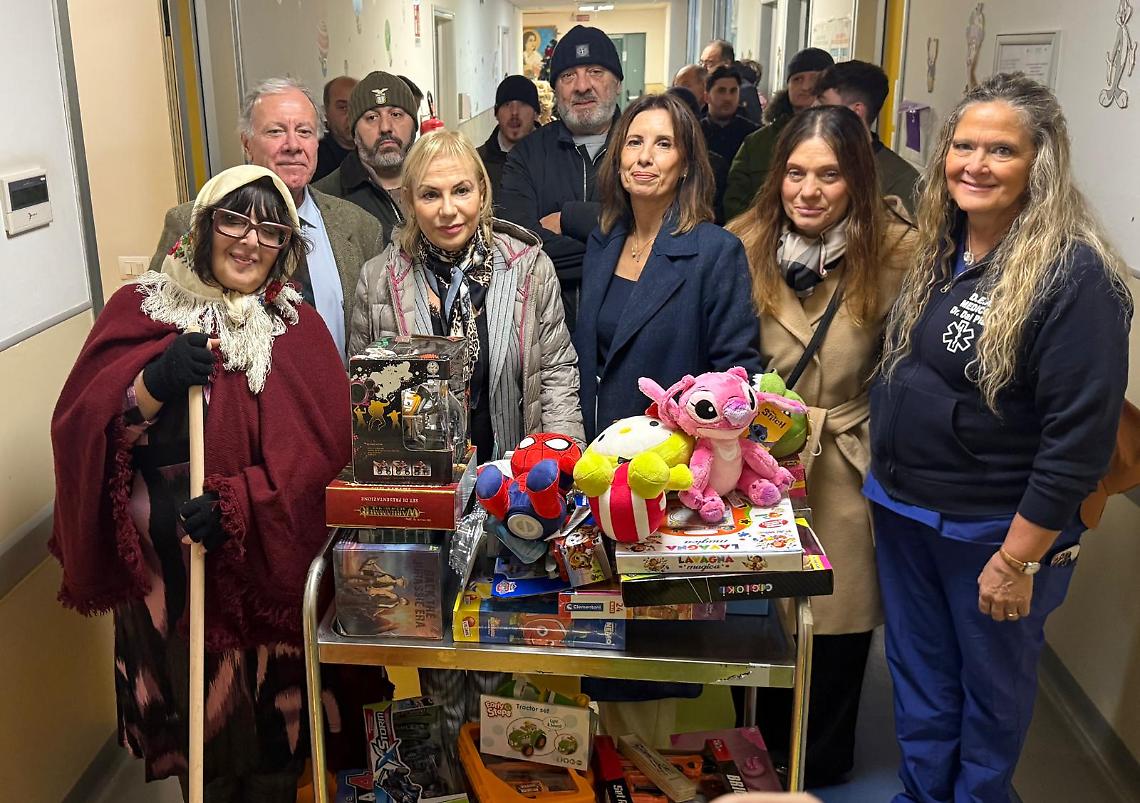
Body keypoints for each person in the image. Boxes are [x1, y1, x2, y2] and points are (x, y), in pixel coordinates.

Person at [868, 73, 1132, 802]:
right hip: (906, 510)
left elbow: (1076, 440)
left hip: (991, 532)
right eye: (963, 145)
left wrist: (1018, 559)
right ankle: (924, 793)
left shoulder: (1075, 275)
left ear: (1039, 163)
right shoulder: (942, 247)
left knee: (989, 693)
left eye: (1001, 150)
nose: (974, 164)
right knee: (920, 680)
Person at [51, 166, 350, 801]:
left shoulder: (300, 329)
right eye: (234, 220)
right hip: (171, 581)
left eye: (271, 230)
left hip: (260, 568)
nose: (249, 241)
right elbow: (84, 428)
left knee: (272, 751)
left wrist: (242, 503)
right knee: (200, 751)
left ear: (285, 249)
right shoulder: (142, 309)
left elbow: (325, 458)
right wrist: (150, 386)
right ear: (202, 228)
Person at [726, 105, 917, 787]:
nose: (809, 190)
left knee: (838, 617)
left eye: (830, 175)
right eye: (797, 172)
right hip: (755, 456)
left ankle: (824, 761)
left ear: (857, 180)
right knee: (760, 614)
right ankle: (761, 751)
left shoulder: (899, 252)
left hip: (846, 451)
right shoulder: (740, 243)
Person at [348, 129, 584, 462]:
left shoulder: (528, 268)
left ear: (482, 192)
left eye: (461, 190)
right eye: (430, 195)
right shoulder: (378, 280)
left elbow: (556, 376)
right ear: (409, 200)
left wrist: (562, 467)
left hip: (511, 481)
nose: (448, 210)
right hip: (423, 484)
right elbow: (362, 396)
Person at [149, 76, 383, 360]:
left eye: (305, 132)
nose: (293, 145)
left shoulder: (359, 226)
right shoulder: (194, 222)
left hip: (335, 398)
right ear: (247, 143)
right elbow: (154, 331)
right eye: (275, 132)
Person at [576, 92, 763, 440]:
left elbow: (736, 380)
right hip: (597, 455)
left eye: (663, 144)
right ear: (618, 158)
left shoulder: (716, 252)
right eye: (634, 142)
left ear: (687, 164)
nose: (644, 157)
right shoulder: (602, 242)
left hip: (674, 460)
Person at [499, 25, 624, 333]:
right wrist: (623, 250)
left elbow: (662, 235)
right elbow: (520, 251)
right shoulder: (526, 156)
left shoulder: (641, 149)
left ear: (617, 83)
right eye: (568, 76)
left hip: (626, 340)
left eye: (595, 71)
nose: (582, 86)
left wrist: (570, 218)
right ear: (555, 89)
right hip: (545, 340)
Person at [725, 47, 835, 220]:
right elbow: (735, 201)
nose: (806, 86)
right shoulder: (757, 142)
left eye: (814, 79)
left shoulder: (842, 140)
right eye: (798, 79)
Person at [315, 71, 419, 246]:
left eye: (396, 114)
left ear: (414, 126)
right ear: (354, 133)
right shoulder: (324, 199)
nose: (386, 127)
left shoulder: (440, 182)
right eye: (372, 117)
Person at [814, 60, 920, 214]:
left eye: (824, 105)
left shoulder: (901, 181)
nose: (813, 111)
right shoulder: (808, 159)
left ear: (856, 111)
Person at [477, 75, 541, 207]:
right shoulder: (478, 163)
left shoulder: (554, 158)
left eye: (523, 104)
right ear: (496, 113)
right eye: (507, 105)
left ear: (536, 113)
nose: (514, 113)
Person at [701, 66, 759, 164]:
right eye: (721, 91)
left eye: (733, 91)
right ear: (707, 97)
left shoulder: (753, 135)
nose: (728, 98)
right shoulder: (695, 133)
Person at [699, 39, 763, 124]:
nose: (703, 68)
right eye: (701, 63)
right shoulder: (701, 85)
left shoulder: (745, 91)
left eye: (709, 63)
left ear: (726, 64)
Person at [315, 75, 359, 181]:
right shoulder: (316, 154)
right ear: (326, 112)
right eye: (343, 107)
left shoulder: (375, 147)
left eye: (357, 106)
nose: (351, 114)